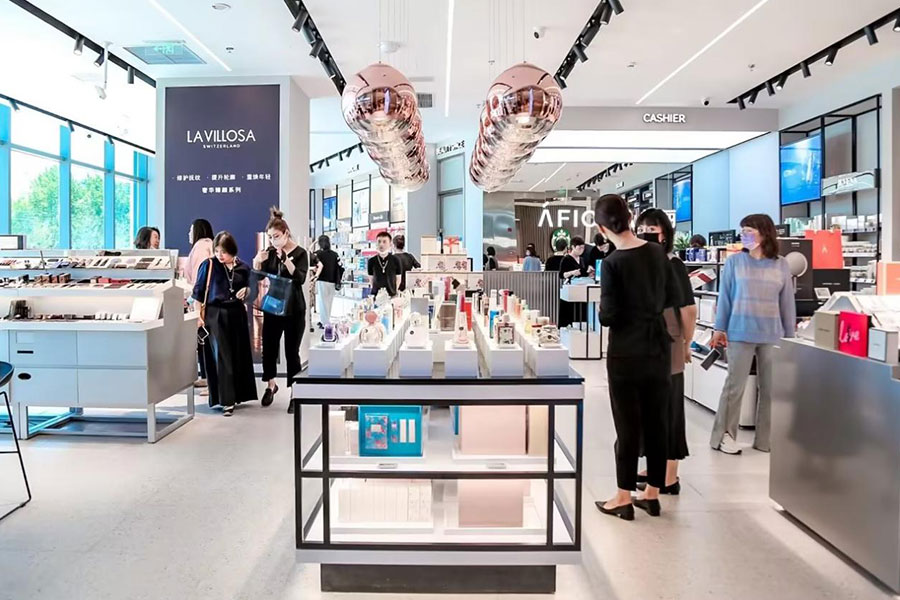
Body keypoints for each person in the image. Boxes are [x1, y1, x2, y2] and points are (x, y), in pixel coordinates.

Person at [594, 194, 678, 521]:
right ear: (630, 218)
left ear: (602, 228)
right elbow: (670, 296)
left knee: (627, 425)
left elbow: (608, 316)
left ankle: (623, 497)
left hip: (626, 353)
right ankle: (652, 494)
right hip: (657, 348)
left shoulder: (612, 263)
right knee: (657, 421)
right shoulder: (657, 252)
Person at [710, 214, 795, 455]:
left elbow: (787, 304)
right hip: (740, 331)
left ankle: (765, 439)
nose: (744, 235)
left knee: (771, 390)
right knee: (734, 388)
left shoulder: (781, 264)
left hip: (773, 334)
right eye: (742, 231)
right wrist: (719, 328)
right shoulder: (735, 262)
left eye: (749, 231)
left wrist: (790, 338)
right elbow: (725, 299)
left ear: (764, 233)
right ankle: (724, 436)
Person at [635, 209, 696, 494]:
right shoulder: (641, 263)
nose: (646, 234)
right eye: (642, 229)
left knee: (669, 410)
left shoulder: (673, 264)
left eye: (653, 230)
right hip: (644, 345)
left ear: (665, 234)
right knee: (650, 409)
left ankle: (669, 477)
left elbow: (688, 309)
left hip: (668, 343)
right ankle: (655, 468)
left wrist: (686, 343)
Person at [192, 232, 257, 417]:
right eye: (217, 251)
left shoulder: (243, 267)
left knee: (238, 354)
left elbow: (253, 292)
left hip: (237, 314)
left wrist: (247, 291)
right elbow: (198, 292)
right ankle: (226, 400)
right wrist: (198, 315)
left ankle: (237, 395)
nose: (220, 255)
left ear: (232, 250)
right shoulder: (209, 265)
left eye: (224, 251)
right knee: (222, 356)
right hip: (215, 314)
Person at [253, 208, 309, 412]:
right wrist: (257, 262)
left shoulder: (301, 253)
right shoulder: (269, 253)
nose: (273, 240)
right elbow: (258, 277)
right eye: (270, 237)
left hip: (294, 309)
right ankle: (271, 385)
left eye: (276, 236)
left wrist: (286, 259)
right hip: (273, 307)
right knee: (269, 348)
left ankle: (295, 393)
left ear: (286, 233)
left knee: (292, 352)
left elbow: (300, 278)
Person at [186, 218, 215, 392]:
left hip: (202, 301)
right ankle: (207, 378)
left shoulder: (200, 247)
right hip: (209, 299)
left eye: (191, 230)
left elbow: (199, 277)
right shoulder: (210, 245)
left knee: (203, 340)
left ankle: (208, 379)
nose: (189, 234)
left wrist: (195, 302)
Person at [558, 237, 589, 329]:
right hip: (570, 290)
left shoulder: (582, 259)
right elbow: (562, 275)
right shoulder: (566, 259)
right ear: (573, 247)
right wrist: (572, 272)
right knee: (569, 314)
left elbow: (583, 273)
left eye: (583, 248)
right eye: (579, 248)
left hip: (580, 290)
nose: (581, 250)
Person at [311, 234, 341, 326]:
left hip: (322, 280)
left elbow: (309, 255)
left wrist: (313, 243)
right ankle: (325, 320)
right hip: (332, 281)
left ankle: (325, 323)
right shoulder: (335, 254)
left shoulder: (318, 254)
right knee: (329, 302)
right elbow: (340, 267)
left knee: (322, 302)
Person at [368, 231, 402, 298]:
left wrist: (395, 291)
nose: (381, 244)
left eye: (384, 242)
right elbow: (371, 279)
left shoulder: (396, 260)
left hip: (392, 295)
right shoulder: (371, 261)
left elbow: (398, 278)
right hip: (376, 295)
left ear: (390, 244)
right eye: (379, 241)